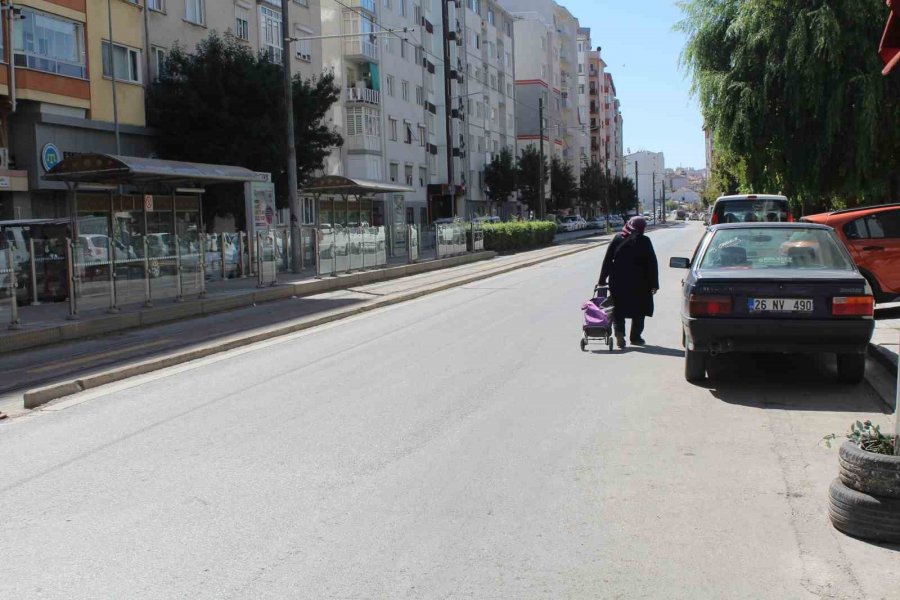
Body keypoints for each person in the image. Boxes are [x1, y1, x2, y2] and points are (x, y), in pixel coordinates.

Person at [598, 216, 659, 348]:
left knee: (618, 309)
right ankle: (635, 337)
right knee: (639, 310)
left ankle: (619, 333)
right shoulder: (645, 241)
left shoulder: (618, 238)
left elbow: (608, 260)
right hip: (640, 282)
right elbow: (652, 264)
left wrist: (602, 279)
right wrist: (654, 284)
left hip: (618, 281)